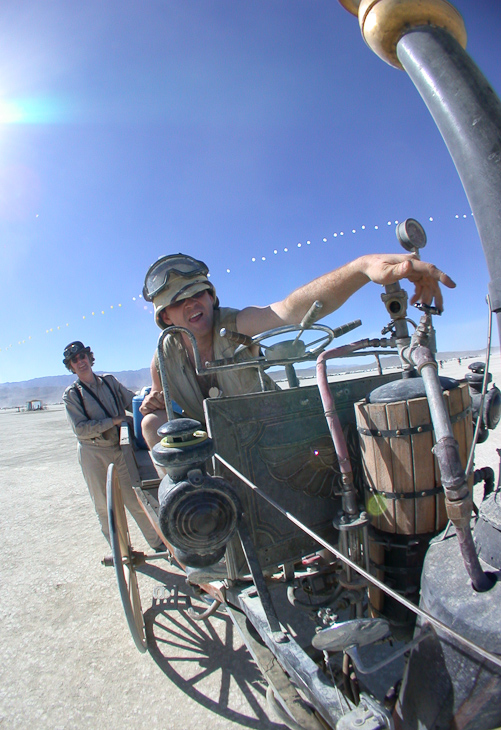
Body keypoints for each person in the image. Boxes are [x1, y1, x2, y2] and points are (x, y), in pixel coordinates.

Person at [139, 252, 456, 450]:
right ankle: (184, 519)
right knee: (150, 425)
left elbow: (291, 309)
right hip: (210, 446)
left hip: (269, 432)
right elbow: (158, 396)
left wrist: (360, 268)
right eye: (178, 303)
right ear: (165, 317)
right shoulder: (162, 357)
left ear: (211, 297)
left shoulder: (237, 324)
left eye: (198, 294)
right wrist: (153, 401)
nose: (191, 304)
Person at [62, 341, 163, 551]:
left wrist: (152, 398)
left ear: (90, 358)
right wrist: (116, 420)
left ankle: (159, 543)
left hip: (120, 449)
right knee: (104, 505)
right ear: (71, 367)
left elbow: (133, 402)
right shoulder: (72, 395)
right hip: (94, 453)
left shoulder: (109, 382)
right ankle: (122, 552)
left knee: (135, 499)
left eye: (82, 356)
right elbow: (81, 429)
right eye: (75, 360)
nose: (80, 362)